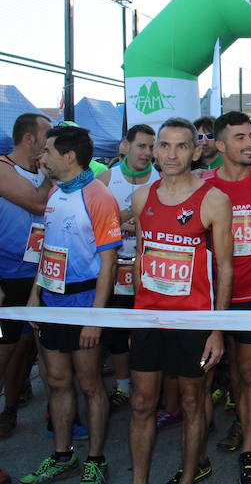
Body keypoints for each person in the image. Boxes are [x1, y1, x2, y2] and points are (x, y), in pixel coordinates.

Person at [129, 117, 233, 484]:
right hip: (148, 319)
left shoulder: (215, 200)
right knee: (141, 403)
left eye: (181, 146)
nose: (171, 154)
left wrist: (218, 329)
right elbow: (143, 255)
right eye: (165, 145)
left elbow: (225, 268)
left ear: (195, 151)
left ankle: (189, 477)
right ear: (155, 150)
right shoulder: (141, 196)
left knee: (192, 404)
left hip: (193, 322)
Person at [22, 125, 121, 484]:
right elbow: (47, 247)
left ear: (69, 156)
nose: (41, 157)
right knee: (58, 381)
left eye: (47, 152)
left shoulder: (98, 196)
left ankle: (96, 459)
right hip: (51, 298)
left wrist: (95, 317)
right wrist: (35, 295)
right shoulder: (54, 192)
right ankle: (62, 455)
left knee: (91, 384)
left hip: (84, 300)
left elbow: (109, 262)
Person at [200, 112, 251, 484]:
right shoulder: (202, 186)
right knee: (202, 378)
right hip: (207, 299)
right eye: (239, 138)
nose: (249, 143)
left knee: (248, 376)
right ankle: (195, 452)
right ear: (219, 146)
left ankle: (248, 449)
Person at [97, 124, 159, 413]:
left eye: (151, 147)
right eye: (141, 146)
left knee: (149, 332)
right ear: (126, 146)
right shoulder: (107, 179)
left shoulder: (161, 179)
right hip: (115, 268)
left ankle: (149, 389)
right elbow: (92, 223)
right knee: (118, 332)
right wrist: (120, 222)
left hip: (151, 270)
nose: (147, 153)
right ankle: (123, 386)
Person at [0, 113, 52, 439]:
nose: (53, 141)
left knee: (30, 349)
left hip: (41, 274)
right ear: (30, 139)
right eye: (48, 135)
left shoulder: (40, 172)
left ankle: (12, 409)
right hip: (7, 277)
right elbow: (36, 203)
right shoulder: (3, 168)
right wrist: (50, 175)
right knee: (5, 348)